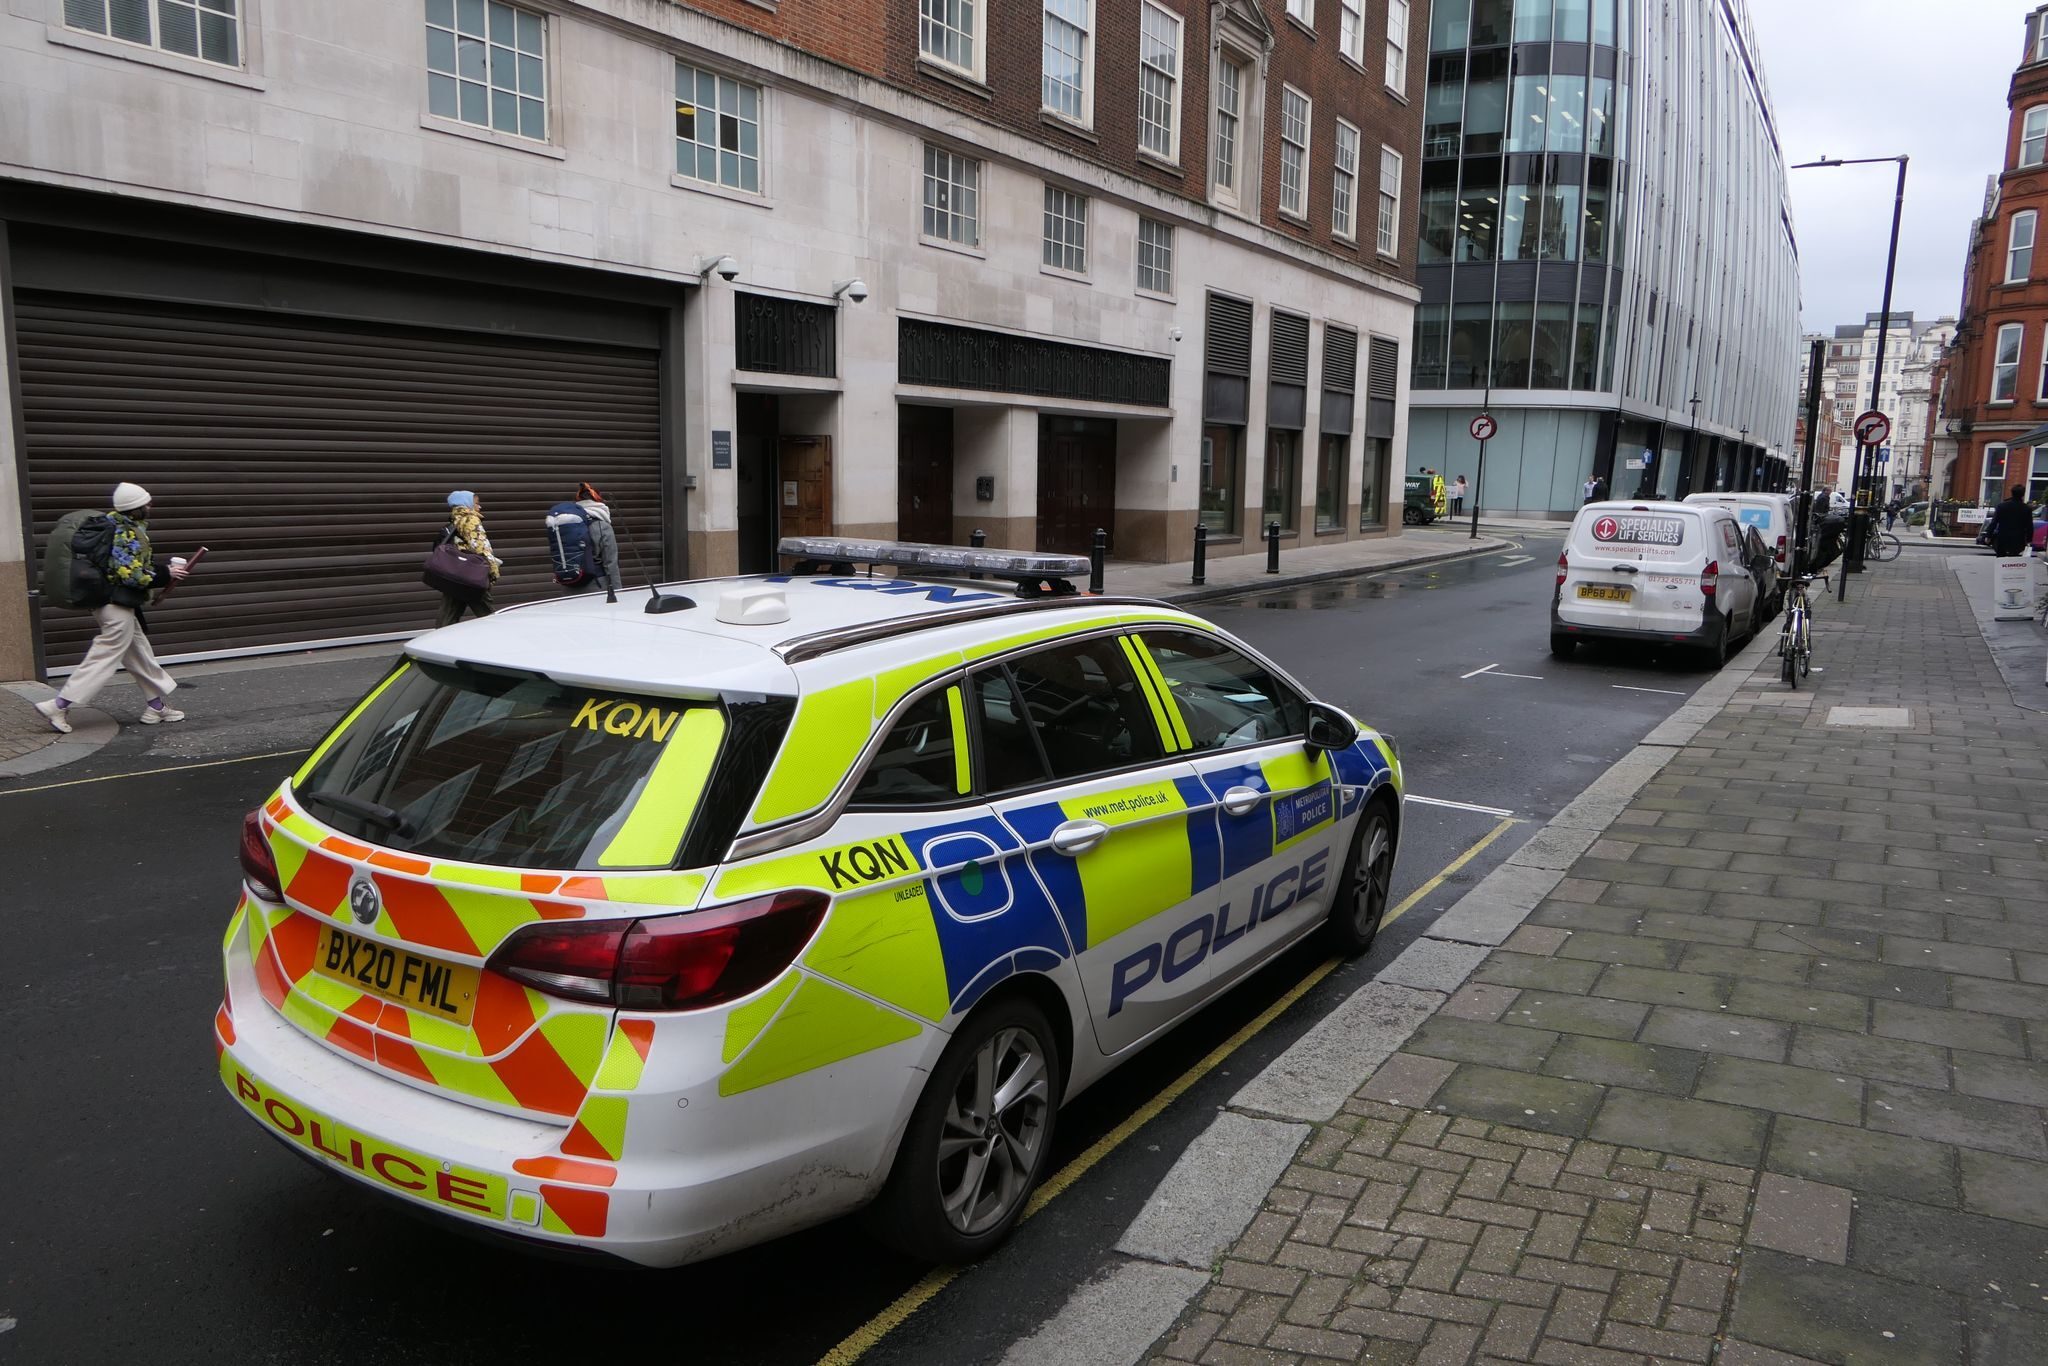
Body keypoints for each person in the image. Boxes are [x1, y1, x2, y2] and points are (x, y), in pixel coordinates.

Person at [33, 482, 191, 734]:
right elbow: (130, 575)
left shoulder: (116, 525)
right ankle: (58, 705)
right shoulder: (125, 533)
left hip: (112, 603)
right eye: (146, 504)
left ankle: (156, 707)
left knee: (139, 652)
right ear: (135, 509)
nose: (151, 506)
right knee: (104, 655)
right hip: (115, 605)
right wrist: (166, 572)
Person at [435, 490, 501, 626]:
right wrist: (493, 571)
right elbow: (481, 547)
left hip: (457, 574)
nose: (479, 507)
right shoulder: (470, 519)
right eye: (476, 503)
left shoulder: (455, 518)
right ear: (466, 504)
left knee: (447, 616)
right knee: (488, 615)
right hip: (471, 576)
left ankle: (438, 641)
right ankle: (500, 638)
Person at [559, 481, 623, 596]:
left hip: (569, 588)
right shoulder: (601, 525)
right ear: (599, 502)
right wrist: (618, 592)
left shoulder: (565, 525)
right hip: (597, 589)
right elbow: (611, 564)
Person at [1988, 484, 2034, 558]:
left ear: (2012, 493)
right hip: (2018, 539)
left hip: (2002, 538)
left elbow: (1994, 522)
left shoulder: (2001, 506)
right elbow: (2029, 526)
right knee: (2014, 561)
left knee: (2001, 560)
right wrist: (2029, 540)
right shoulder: (2026, 508)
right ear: (2023, 494)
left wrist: (1989, 535)